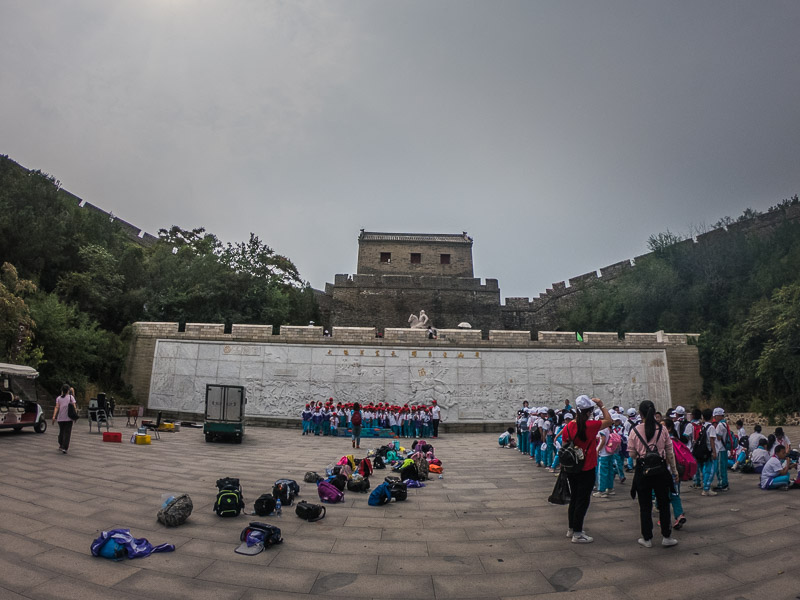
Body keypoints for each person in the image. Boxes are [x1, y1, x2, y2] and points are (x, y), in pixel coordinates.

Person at [627, 400, 679, 547]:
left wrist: (642, 454)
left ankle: (647, 538)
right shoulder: (662, 430)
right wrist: (674, 471)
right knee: (663, 503)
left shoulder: (635, 430)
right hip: (661, 471)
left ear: (640, 413)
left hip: (643, 471)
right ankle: (666, 537)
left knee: (645, 506)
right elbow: (670, 452)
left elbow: (631, 454)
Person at [562, 395, 612, 544]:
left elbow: (565, 444)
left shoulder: (569, 425)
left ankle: (571, 528)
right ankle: (577, 533)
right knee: (582, 500)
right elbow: (609, 421)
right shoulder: (591, 426)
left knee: (574, 498)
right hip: (586, 467)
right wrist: (602, 405)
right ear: (589, 411)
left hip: (571, 468)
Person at [52, 384, 77, 454]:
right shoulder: (71, 397)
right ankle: (65, 447)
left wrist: (54, 416)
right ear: (68, 390)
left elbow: (56, 407)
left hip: (60, 418)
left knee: (61, 432)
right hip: (68, 418)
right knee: (67, 433)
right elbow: (74, 407)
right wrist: (75, 416)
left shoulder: (58, 398)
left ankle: (61, 444)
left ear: (62, 391)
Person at [712, 408, 730, 492]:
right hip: (724, 448)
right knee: (723, 467)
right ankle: (724, 483)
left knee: (720, 468)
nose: (715, 417)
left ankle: (722, 484)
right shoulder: (725, 423)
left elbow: (719, 437)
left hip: (720, 448)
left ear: (719, 415)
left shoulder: (719, 425)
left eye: (716, 416)